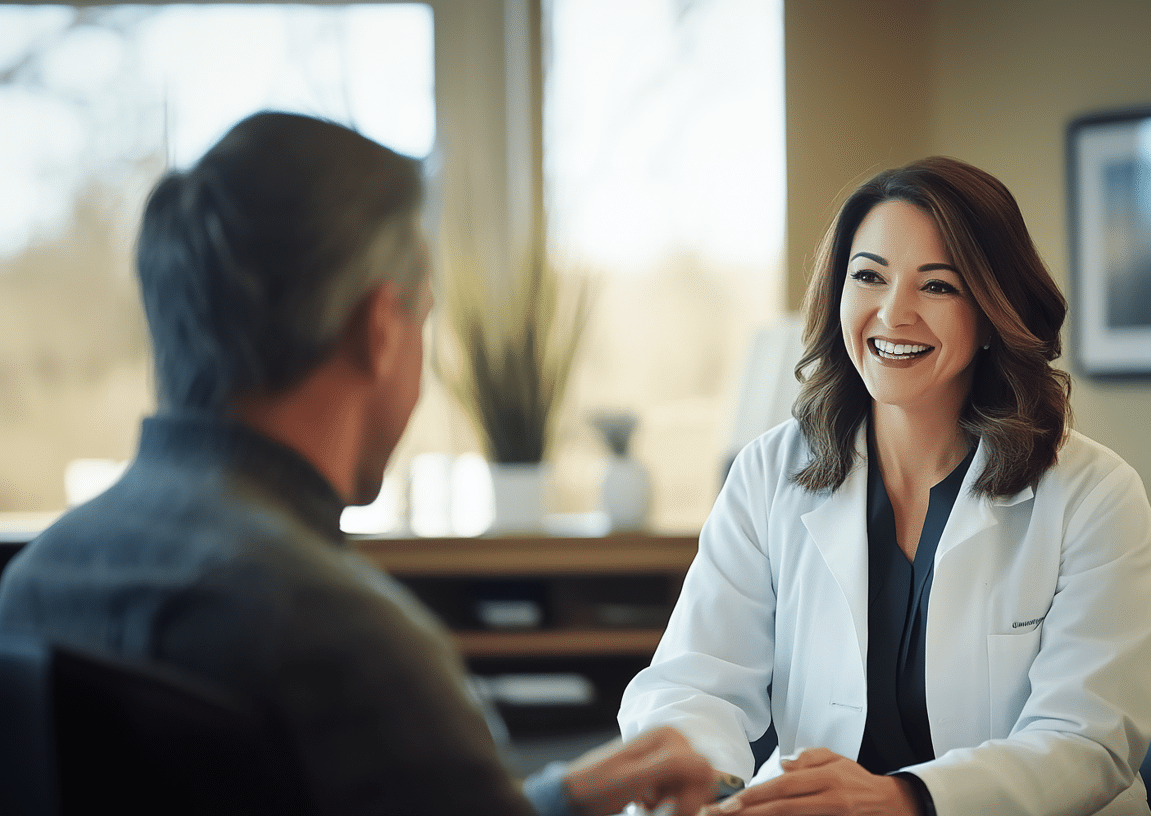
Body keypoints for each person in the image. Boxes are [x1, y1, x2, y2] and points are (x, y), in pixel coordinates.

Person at [0, 111, 715, 816]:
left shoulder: (34, 586)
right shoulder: (341, 641)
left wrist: (556, 799)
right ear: (378, 330)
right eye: (423, 316)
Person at [618, 157, 1151, 816]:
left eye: (938, 287)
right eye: (869, 277)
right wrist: (711, 786)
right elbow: (694, 683)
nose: (893, 312)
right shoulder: (770, 473)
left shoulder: (1094, 496)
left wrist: (903, 799)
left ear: (993, 311)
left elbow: (1089, 742)